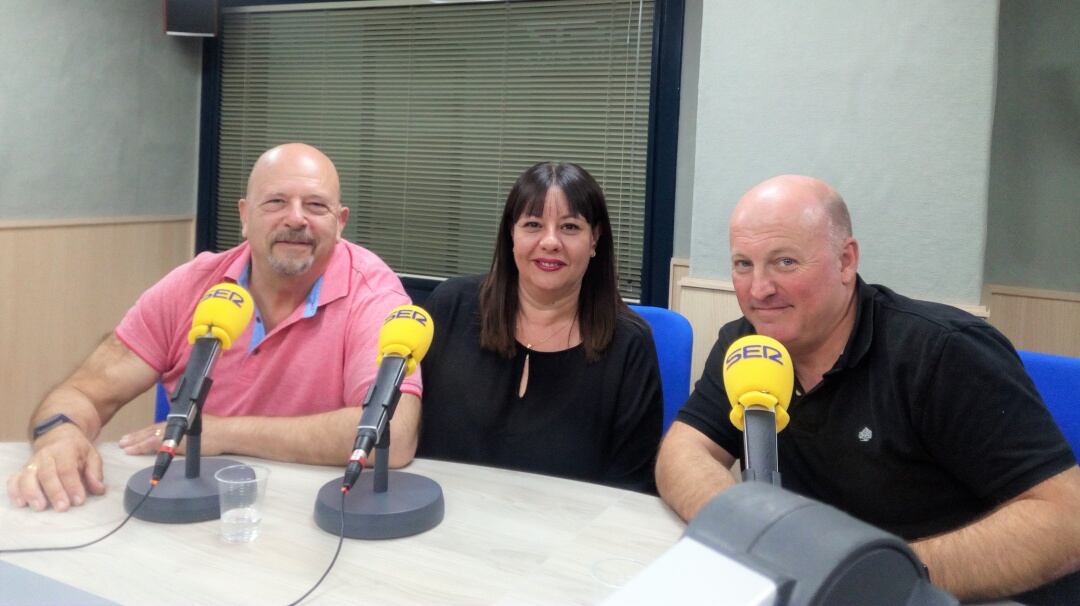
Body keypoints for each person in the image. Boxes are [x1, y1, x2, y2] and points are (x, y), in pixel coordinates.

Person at [655, 175, 1080, 602]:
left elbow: (1067, 521)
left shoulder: (942, 353)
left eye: (785, 262)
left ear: (845, 260)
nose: (759, 289)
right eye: (743, 264)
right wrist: (752, 532)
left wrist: (879, 576)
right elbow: (683, 453)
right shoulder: (746, 346)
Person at [7, 143, 421, 513]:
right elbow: (82, 393)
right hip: (190, 507)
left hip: (314, 515)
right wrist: (59, 436)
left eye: (316, 206)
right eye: (276, 202)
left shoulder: (374, 295)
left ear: (340, 221)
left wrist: (220, 433)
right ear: (244, 215)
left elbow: (393, 434)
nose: (296, 219)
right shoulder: (191, 286)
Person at [417, 162, 662, 493]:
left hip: (570, 535)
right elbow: (404, 432)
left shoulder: (629, 346)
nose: (550, 242)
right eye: (533, 224)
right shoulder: (450, 308)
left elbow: (630, 490)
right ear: (511, 235)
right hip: (443, 523)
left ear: (595, 239)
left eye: (570, 227)